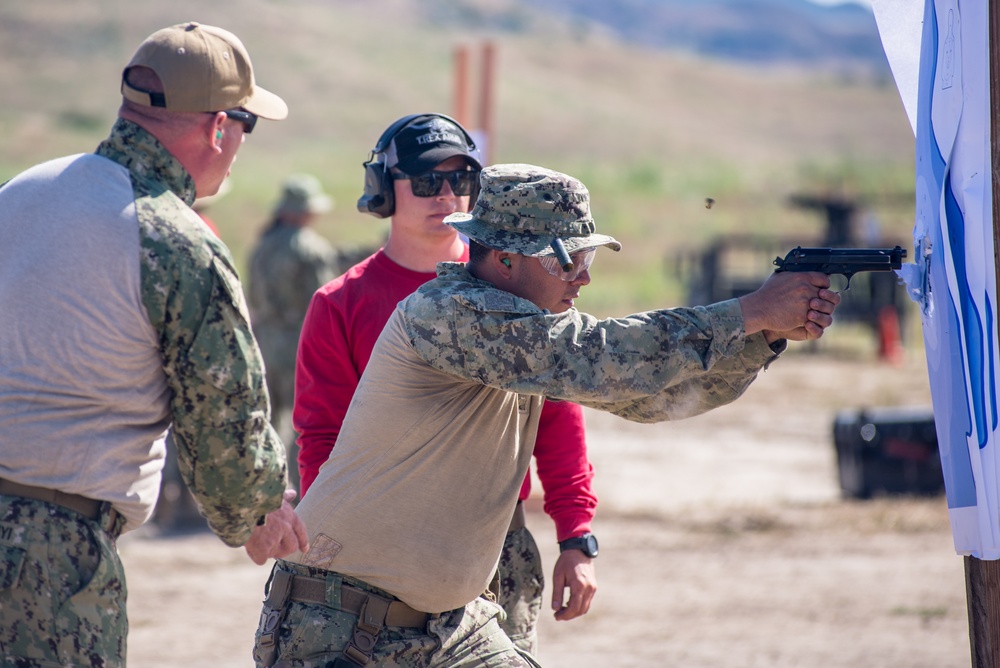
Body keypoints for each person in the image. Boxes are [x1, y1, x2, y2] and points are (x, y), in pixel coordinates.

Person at [253, 163, 841, 667]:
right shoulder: (450, 313)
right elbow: (604, 358)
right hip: (341, 627)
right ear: (505, 260)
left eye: (587, 258)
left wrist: (761, 336)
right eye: (568, 260)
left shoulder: (522, 334)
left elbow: (652, 397)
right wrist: (750, 310)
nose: (584, 277)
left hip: (446, 626)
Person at [0, 22, 309, 666]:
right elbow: (225, 416)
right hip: (46, 552)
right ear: (219, 128)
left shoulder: (21, 192)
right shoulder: (175, 237)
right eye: (246, 128)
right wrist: (257, 513)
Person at [294, 113, 598, 655]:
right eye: (428, 181)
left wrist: (576, 537)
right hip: (386, 546)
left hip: (497, 542)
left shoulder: (522, 289)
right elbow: (322, 438)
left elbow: (557, 419)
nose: (448, 196)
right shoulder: (340, 304)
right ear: (385, 191)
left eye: (462, 182)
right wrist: (334, 551)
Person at [249, 173, 339, 492]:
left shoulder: (262, 246)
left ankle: (262, 491)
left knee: (266, 422)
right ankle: (303, 493)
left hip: (265, 342)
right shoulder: (312, 249)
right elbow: (325, 301)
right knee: (306, 424)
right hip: (300, 343)